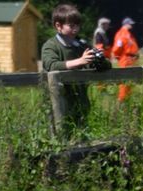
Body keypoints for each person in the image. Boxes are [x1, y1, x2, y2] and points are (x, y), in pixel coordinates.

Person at [40, 3, 111, 133]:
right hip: (59, 102)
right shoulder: (51, 46)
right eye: (71, 25)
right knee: (60, 134)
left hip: (80, 101)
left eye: (77, 25)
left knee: (81, 134)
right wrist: (80, 61)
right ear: (58, 26)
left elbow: (106, 65)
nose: (76, 29)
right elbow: (51, 65)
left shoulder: (81, 45)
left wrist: (100, 60)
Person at [109, 17, 141, 101]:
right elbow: (117, 49)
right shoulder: (121, 33)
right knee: (125, 81)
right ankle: (121, 100)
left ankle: (127, 99)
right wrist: (120, 58)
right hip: (126, 59)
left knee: (130, 81)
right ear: (125, 24)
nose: (132, 25)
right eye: (130, 24)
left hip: (131, 59)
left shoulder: (129, 33)